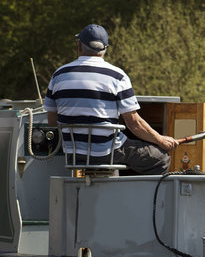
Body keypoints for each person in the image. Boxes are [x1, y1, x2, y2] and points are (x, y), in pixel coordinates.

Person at [44, 24, 178, 174]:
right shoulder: (117, 76)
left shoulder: (59, 75)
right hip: (106, 153)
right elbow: (134, 124)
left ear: (79, 46)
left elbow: (52, 122)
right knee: (160, 158)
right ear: (104, 49)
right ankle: (138, 197)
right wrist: (161, 140)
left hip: (73, 154)